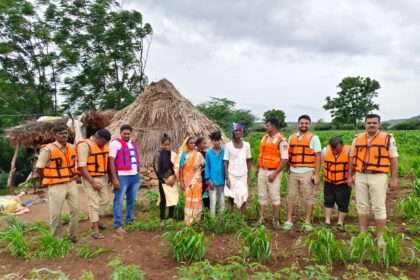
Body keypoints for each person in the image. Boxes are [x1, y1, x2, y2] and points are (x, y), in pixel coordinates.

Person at [348, 114, 398, 248]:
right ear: (365, 124)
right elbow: (352, 158)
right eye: (369, 123)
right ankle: (363, 233)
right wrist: (349, 176)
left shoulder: (388, 138)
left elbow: (393, 159)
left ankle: (380, 236)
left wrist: (394, 179)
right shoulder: (357, 138)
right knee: (362, 205)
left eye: (374, 123)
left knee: (378, 206)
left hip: (379, 176)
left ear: (379, 125)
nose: (371, 125)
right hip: (360, 175)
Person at [36, 123, 79, 242]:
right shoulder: (47, 149)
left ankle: (73, 237)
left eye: (65, 133)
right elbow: (39, 168)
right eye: (61, 133)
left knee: (75, 210)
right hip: (56, 185)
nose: (64, 135)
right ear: (55, 135)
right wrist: (47, 178)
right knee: (56, 214)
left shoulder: (72, 147)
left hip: (71, 183)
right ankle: (56, 240)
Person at [281, 115, 322, 233]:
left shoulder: (314, 138)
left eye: (306, 123)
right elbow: (289, 154)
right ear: (298, 124)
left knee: (308, 197)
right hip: (293, 171)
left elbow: (318, 157)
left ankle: (307, 222)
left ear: (309, 125)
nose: (304, 125)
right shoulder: (292, 137)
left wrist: (317, 174)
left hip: (307, 171)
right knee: (291, 196)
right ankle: (289, 220)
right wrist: (288, 168)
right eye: (302, 123)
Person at [77, 129, 111, 239]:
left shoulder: (104, 146)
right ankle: (95, 229)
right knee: (93, 202)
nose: (104, 144)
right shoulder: (84, 145)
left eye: (106, 142)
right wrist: (92, 181)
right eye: (102, 141)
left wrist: (110, 176)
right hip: (90, 178)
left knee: (105, 199)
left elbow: (107, 162)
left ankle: (96, 220)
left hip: (102, 176)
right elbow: (82, 166)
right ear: (96, 137)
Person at [255, 118, 288, 230]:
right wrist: (258, 169)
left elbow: (284, 159)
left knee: (275, 195)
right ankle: (261, 218)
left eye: (267, 126)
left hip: (274, 172)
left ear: (273, 127)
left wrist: (275, 174)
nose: (266, 128)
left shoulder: (281, 141)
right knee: (262, 195)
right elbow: (262, 154)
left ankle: (276, 220)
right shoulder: (264, 138)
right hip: (262, 171)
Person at [109, 124, 141, 235]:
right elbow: (111, 162)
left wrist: (138, 173)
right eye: (124, 133)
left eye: (128, 134)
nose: (126, 135)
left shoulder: (132, 143)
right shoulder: (115, 144)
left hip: (135, 175)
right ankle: (118, 225)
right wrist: (114, 178)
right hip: (122, 176)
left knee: (131, 200)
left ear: (131, 133)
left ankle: (130, 221)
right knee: (118, 201)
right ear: (120, 133)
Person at [322, 136, 351, 232]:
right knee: (328, 201)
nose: (335, 151)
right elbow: (322, 162)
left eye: (337, 149)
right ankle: (327, 221)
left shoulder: (349, 151)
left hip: (343, 182)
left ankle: (340, 222)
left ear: (342, 145)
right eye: (333, 149)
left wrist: (351, 177)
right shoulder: (325, 150)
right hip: (329, 181)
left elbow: (353, 165)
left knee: (343, 203)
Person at [224, 123, 252, 214]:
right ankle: (231, 219)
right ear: (232, 132)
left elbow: (248, 161)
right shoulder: (228, 146)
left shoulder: (247, 145)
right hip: (231, 175)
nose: (238, 132)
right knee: (231, 197)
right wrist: (227, 178)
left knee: (244, 196)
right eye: (236, 130)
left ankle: (242, 220)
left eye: (240, 130)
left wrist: (248, 176)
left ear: (242, 132)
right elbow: (226, 162)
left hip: (243, 175)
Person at [178, 137, 205, 226]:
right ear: (187, 144)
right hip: (187, 181)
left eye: (194, 143)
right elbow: (181, 168)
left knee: (197, 199)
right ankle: (189, 220)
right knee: (189, 200)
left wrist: (200, 164)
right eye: (191, 143)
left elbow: (204, 165)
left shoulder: (199, 155)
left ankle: (197, 219)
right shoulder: (184, 155)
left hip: (197, 181)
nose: (193, 145)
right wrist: (181, 181)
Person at [153, 133, 179, 224]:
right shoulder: (158, 155)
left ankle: (171, 217)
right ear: (162, 145)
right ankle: (162, 219)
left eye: (168, 145)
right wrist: (164, 179)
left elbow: (177, 167)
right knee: (163, 200)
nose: (167, 146)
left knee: (172, 198)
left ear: (171, 144)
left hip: (173, 180)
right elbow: (156, 168)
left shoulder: (174, 154)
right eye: (165, 145)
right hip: (163, 181)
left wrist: (174, 178)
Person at [205, 131, 225, 217]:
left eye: (217, 140)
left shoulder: (225, 151)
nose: (216, 142)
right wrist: (209, 180)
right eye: (214, 140)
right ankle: (213, 221)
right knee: (212, 202)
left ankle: (221, 220)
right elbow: (207, 167)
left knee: (222, 202)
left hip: (222, 181)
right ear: (212, 141)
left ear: (220, 140)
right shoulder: (209, 153)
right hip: (212, 182)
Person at [196, 137, 210, 211]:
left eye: (206, 143)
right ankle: (198, 213)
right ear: (198, 144)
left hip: (205, 177)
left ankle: (207, 212)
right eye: (203, 143)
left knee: (206, 196)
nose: (205, 145)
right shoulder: (195, 154)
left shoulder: (207, 154)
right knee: (198, 196)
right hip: (197, 178)